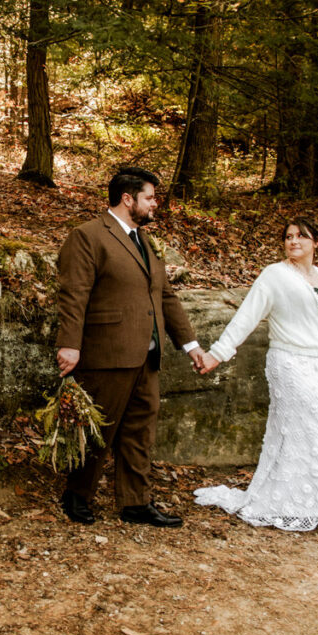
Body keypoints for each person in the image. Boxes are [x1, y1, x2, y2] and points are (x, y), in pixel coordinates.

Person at [194, 217, 318, 532]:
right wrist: (217, 354)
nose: (294, 241)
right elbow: (246, 317)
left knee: (292, 433)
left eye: (302, 236)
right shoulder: (275, 275)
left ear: (315, 242)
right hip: (289, 362)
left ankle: (291, 498)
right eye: (289, 236)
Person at [55, 167, 205, 527]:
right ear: (128, 198)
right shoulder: (88, 236)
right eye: (151, 197)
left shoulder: (144, 241)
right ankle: (76, 495)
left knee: (140, 432)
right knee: (97, 430)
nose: (156, 204)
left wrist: (190, 344)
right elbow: (74, 293)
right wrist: (69, 345)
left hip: (147, 356)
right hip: (106, 352)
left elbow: (164, 296)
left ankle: (135, 503)